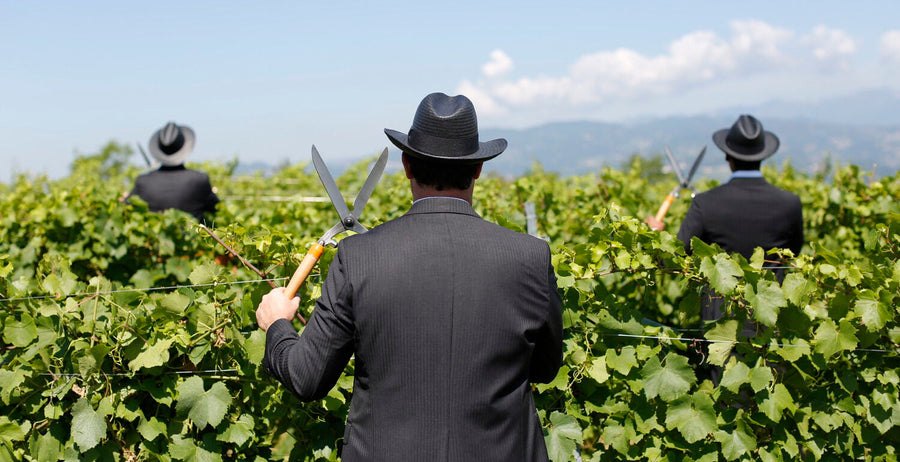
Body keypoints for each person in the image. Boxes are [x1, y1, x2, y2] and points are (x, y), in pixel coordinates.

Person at [255, 93, 563, 461]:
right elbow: (545, 368)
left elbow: (306, 377)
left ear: (406, 165)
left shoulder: (359, 257)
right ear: (478, 168)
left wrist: (277, 326)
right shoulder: (530, 256)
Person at [646, 114, 803, 383]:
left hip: (721, 324)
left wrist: (654, 237)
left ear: (727, 157)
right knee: (771, 390)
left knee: (725, 397)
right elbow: (793, 253)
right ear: (763, 155)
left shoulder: (706, 204)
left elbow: (678, 256)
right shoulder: (790, 203)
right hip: (772, 321)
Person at [127, 122, 219, 224]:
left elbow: (127, 206)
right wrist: (212, 193)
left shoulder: (143, 181)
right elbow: (216, 208)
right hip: (192, 237)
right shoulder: (199, 180)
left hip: (154, 238)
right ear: (184, 147)